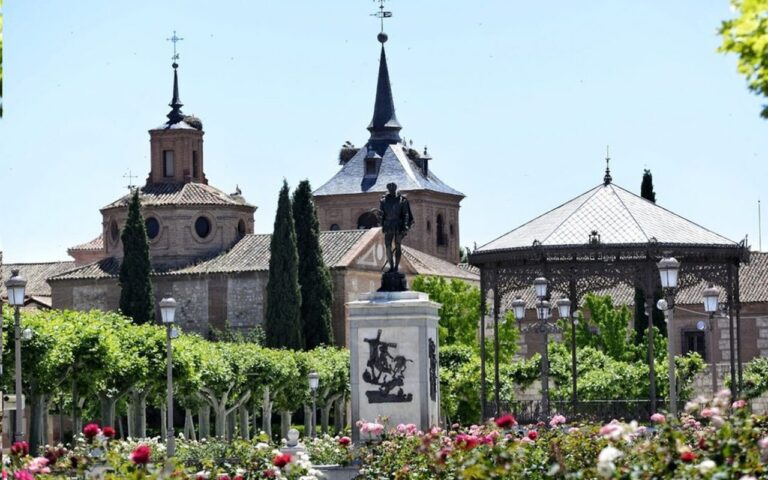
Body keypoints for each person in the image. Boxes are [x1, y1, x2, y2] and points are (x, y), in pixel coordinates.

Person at [378, 182, 414, 273]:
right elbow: (382, 214)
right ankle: (391, 266)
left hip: (398, 224)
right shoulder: (383, 200)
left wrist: (405, 225)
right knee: (388, 246)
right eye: (390, 190)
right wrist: (380, 216)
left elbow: (406, 214)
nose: (391, 191)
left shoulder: (402, 200)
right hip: (388, 225)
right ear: (388, 190)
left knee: (398, 245)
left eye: (393, 189)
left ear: (395, 189)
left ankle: (396, 267)